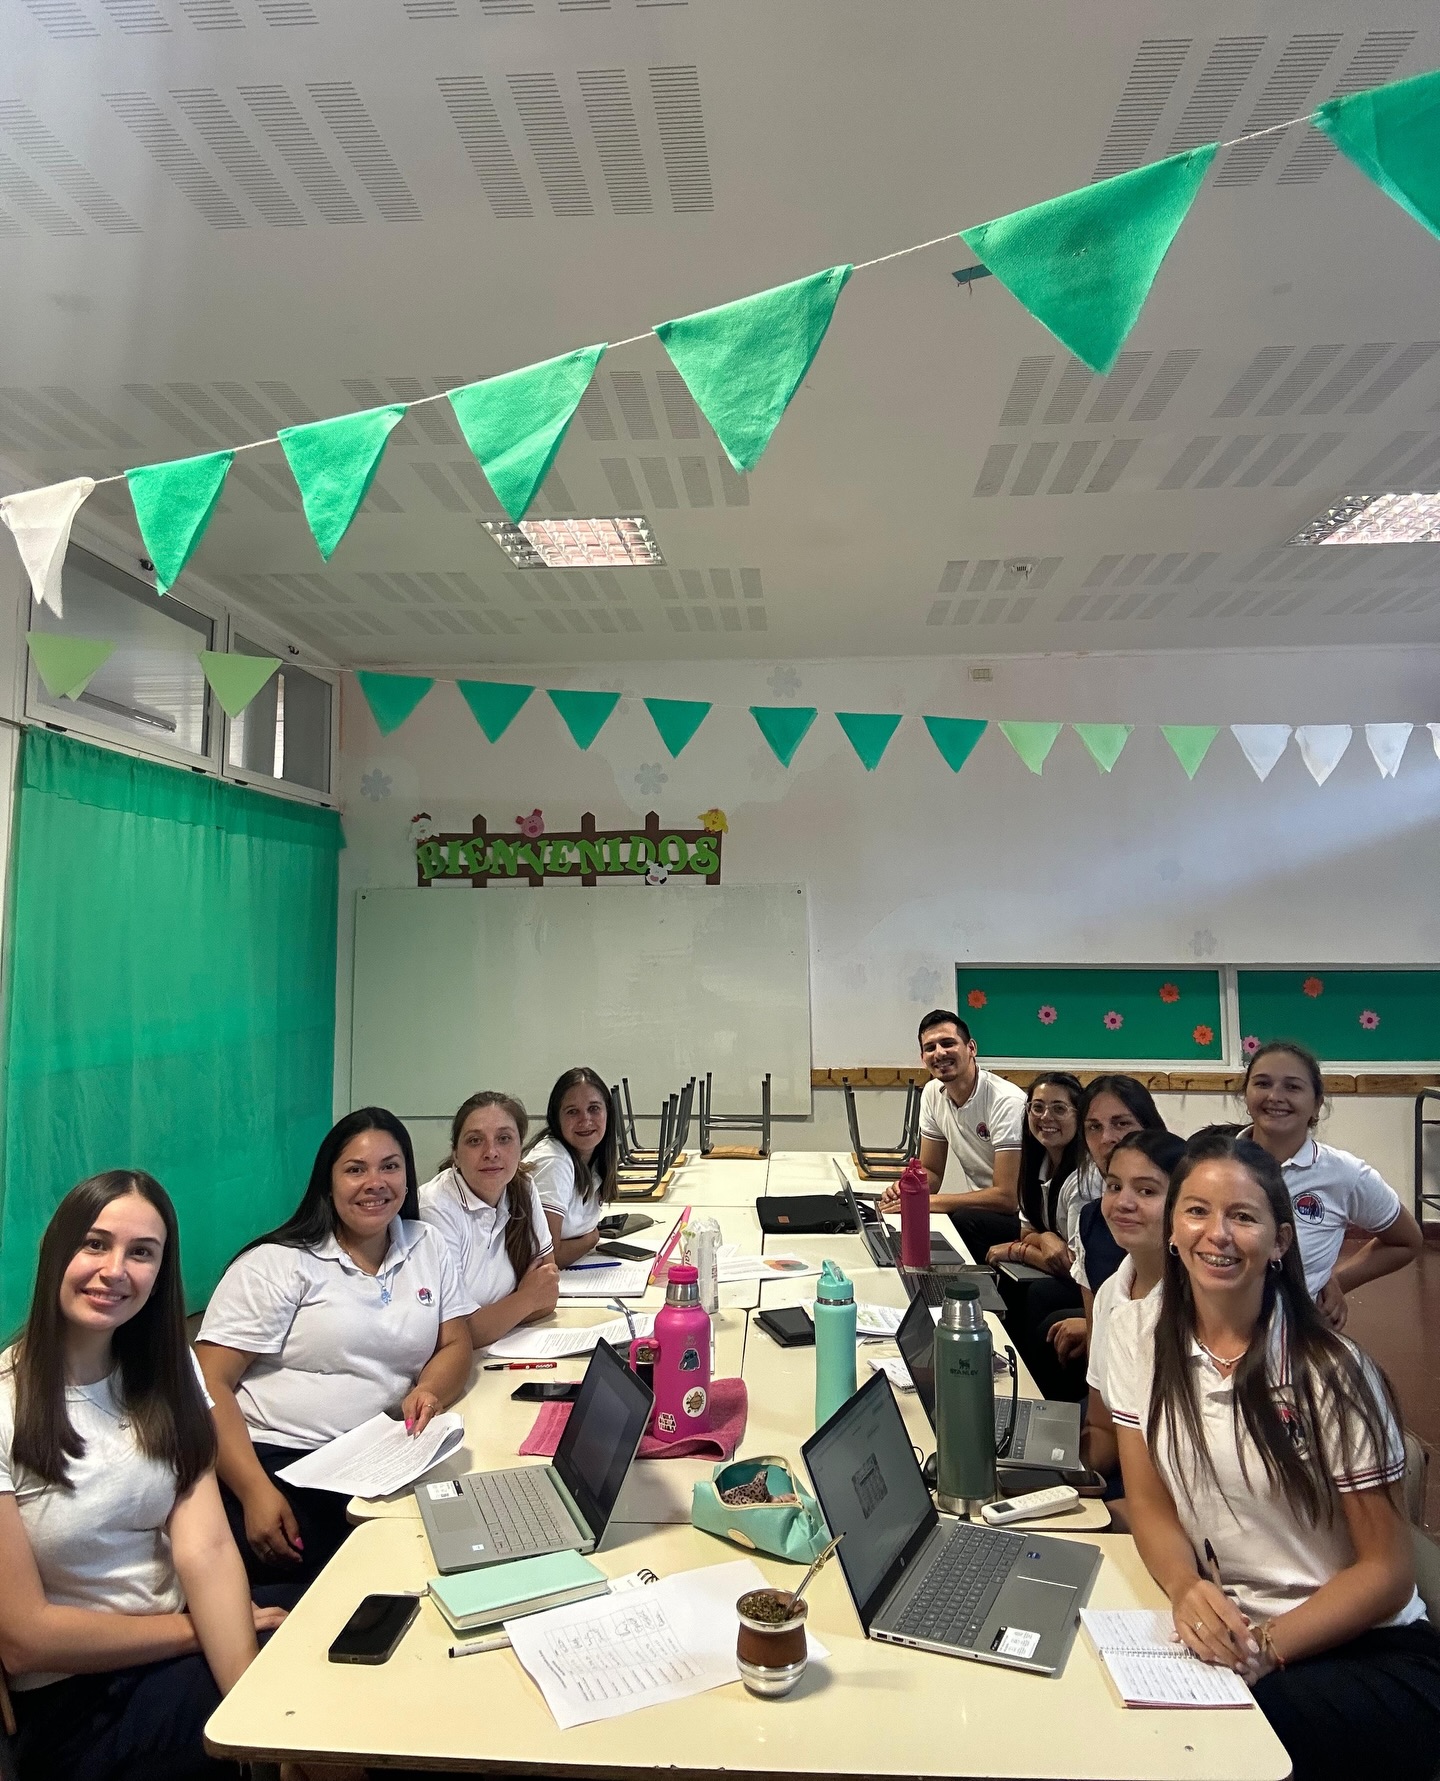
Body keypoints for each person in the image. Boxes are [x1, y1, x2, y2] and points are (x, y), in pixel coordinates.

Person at [1110, 1130, 1440, 1781]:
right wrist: (1186, 1588)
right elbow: (1148, 1501)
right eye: (1197, 1210)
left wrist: (1263, 1647)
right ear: (1172, 1228)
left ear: (1281, 1241)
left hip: (1364, 1649)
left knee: (1197, 1753)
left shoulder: (1332, 1371)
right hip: (1236, 1628)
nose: (1217, 1234)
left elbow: (1387, 1573)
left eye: (1243, 1216)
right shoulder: (1137, 1337)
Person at [0, 1171, 280, 1781]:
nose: (115, 1270)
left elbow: (207, 1549)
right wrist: (194, 1632)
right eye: (94, 1244)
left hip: (179, 1642)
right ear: (56, 1251)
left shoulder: (168, 1368)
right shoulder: (6, 1403)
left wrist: (257, 1719)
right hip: (77, 1694)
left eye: (142, 1253)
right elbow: (25, 1641)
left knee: (335, 1646)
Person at [197, 1108, 475, 1596]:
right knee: (369, 1587)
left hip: (378, 1461)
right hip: (279, 1464)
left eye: (390, 1166)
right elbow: (205, 1382)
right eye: (355, 1169)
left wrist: (430, 1389)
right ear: (327, 1183)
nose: (375, 1182)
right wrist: (254, 1490)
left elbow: (456, 1342)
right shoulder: (277, 1264)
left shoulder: (426, 1243)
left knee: (461, 1546)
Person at [1241, 1040, 1422, 1332]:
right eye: (1262, 1083)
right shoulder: (1211, 1165)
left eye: (1292, 1087)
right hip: (1210, 1332)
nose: (1274, 1096)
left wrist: (1338, 1280)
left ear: (1317, 1104)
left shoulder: (1343, 1174)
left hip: (1299, 1336)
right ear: (1246, 1094)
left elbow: (1406, 1241)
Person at [1077, 1128, 1185, 1497]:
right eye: (1114, 1186)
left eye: (1146, 1191)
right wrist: (1061, 1476)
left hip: (1178, 1498)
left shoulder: (1199, 1306)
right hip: (1132, 1479)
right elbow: (1104, 1427)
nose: (1123, 1202)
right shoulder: (1112, 1291)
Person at [1046, 1074, 1169, 1378]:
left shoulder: (1177, 1213)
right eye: (1094, 1127)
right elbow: (1096, 1334)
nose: (1107, 1139)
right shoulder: (1092, 1217)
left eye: (1121, 1123)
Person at [877, 1010, 1025, 1258]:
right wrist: (907, 1191)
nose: (939, 1053)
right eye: (930, 1048)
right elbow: (932, 1171)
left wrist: (927, 1202)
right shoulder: (932, 1093)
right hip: (984, 1210)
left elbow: (1007, 1197)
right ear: (923, 1058)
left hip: (1024, 1219)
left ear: (971, 1048)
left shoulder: (1006, 1101)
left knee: (961, 1219)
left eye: (948, 1043)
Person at [419, 1091, 560, 1349]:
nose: (491, 1152)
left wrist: (492, 1319)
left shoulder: (523, 1187)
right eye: (475, 1141)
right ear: (456, 1154)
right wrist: (527, 1298)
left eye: (504, 1139)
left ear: (520, 1147)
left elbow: (549, 1292)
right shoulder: (435, 1207)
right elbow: (455, 1335)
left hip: (507, 1348)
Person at [986, 1073, 1085, 1275]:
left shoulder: (1083, 1181)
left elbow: (1075, 1268)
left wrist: (1019, 1251)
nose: (1046, 1117)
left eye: (1059, 1109)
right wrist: (1044, 1238)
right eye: (1038, 1107)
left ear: (1080, 1116)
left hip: (1085, 1282)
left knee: (1035, 1291)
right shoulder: (1037, 1162)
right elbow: (1027, 1232)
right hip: (1060, 1268)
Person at [528, 1067, 618, 1268]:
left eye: (594, 1108)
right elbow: (547, 1257)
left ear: (608, 1112)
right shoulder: (554, 1162)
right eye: (572, 1112)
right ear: (556, 1118)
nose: (585, 1120)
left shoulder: (591, 1159)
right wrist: (591, 1239)